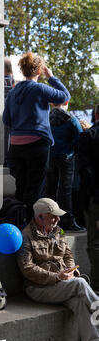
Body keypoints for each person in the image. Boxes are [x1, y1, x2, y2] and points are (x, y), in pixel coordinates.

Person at [17, 197, 99, 341]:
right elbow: (27, 269)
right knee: (80, 284)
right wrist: (56, 277)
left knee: (78, 302)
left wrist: (70, 270)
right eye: (53, 216)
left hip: (62, 283)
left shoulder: (58, 231)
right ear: (39, 217)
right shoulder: (25, 236)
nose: (58, 219)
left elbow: (68, 253)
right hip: (39, 287)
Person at [3, 52, 70, 220]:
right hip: (37, 144)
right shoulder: (39, 88)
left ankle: (18, 222)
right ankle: (30, 227)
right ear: (39, 71)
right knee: (35, 188)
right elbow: (65, 96)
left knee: (21, 187)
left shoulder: (13, 92)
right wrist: (52, 78)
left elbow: (6, 119)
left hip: (16, 146)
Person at [46, 100, 85, 232]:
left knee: (50, 190)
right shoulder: (71, 119)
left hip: (50, 157)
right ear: (66, 102)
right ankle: (67, 221)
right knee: (65, 191)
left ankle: (49, 220)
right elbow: (80, 138)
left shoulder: (46, 118)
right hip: (67, 158)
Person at [78, 103, 99, 293]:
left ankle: (98, 284)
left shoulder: (87, 136)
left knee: (94, 242)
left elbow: (84, 171)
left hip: (93, 197)